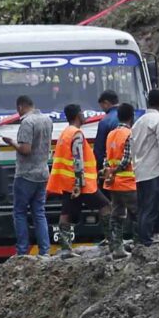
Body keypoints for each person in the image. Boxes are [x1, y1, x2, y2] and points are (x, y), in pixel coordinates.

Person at [48, 104, 99, 254]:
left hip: (67, 182)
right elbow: (78, 158)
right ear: (78, 115)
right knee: (106, 207)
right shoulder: (76, 133)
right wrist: (79, 182)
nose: (84, 115)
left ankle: (65, 249)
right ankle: (114, 243)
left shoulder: (65, 133)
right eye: (82, 113)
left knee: (66, 213)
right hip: (80, 184)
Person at [130, 88, 159, 244]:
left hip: (140, 171)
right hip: (154, 172)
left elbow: (133, 148)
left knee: (143, 208)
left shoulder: (138, 122)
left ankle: (142, 239)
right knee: (151, 208)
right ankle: (146, 241)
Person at [9, 93, 53, 258]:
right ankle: (45, 251)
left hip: (26, 174)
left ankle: (22, 252)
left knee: (20, 212)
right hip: (43, 172)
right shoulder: (47, 120)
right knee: (39, 212)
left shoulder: (27, 122)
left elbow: (25, 150)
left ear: (20, 107)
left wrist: (12, 142)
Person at [101, 104, 139, 254]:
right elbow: (127, 160)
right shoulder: (129, 134)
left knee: (116, 214)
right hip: (128, 183)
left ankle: (116, 248)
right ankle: (138, 246)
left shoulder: (111, 134)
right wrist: (115, 170)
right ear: (131, 117)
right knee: (136, 213)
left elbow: (106, 158)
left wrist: (109, 172)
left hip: (113, 183)